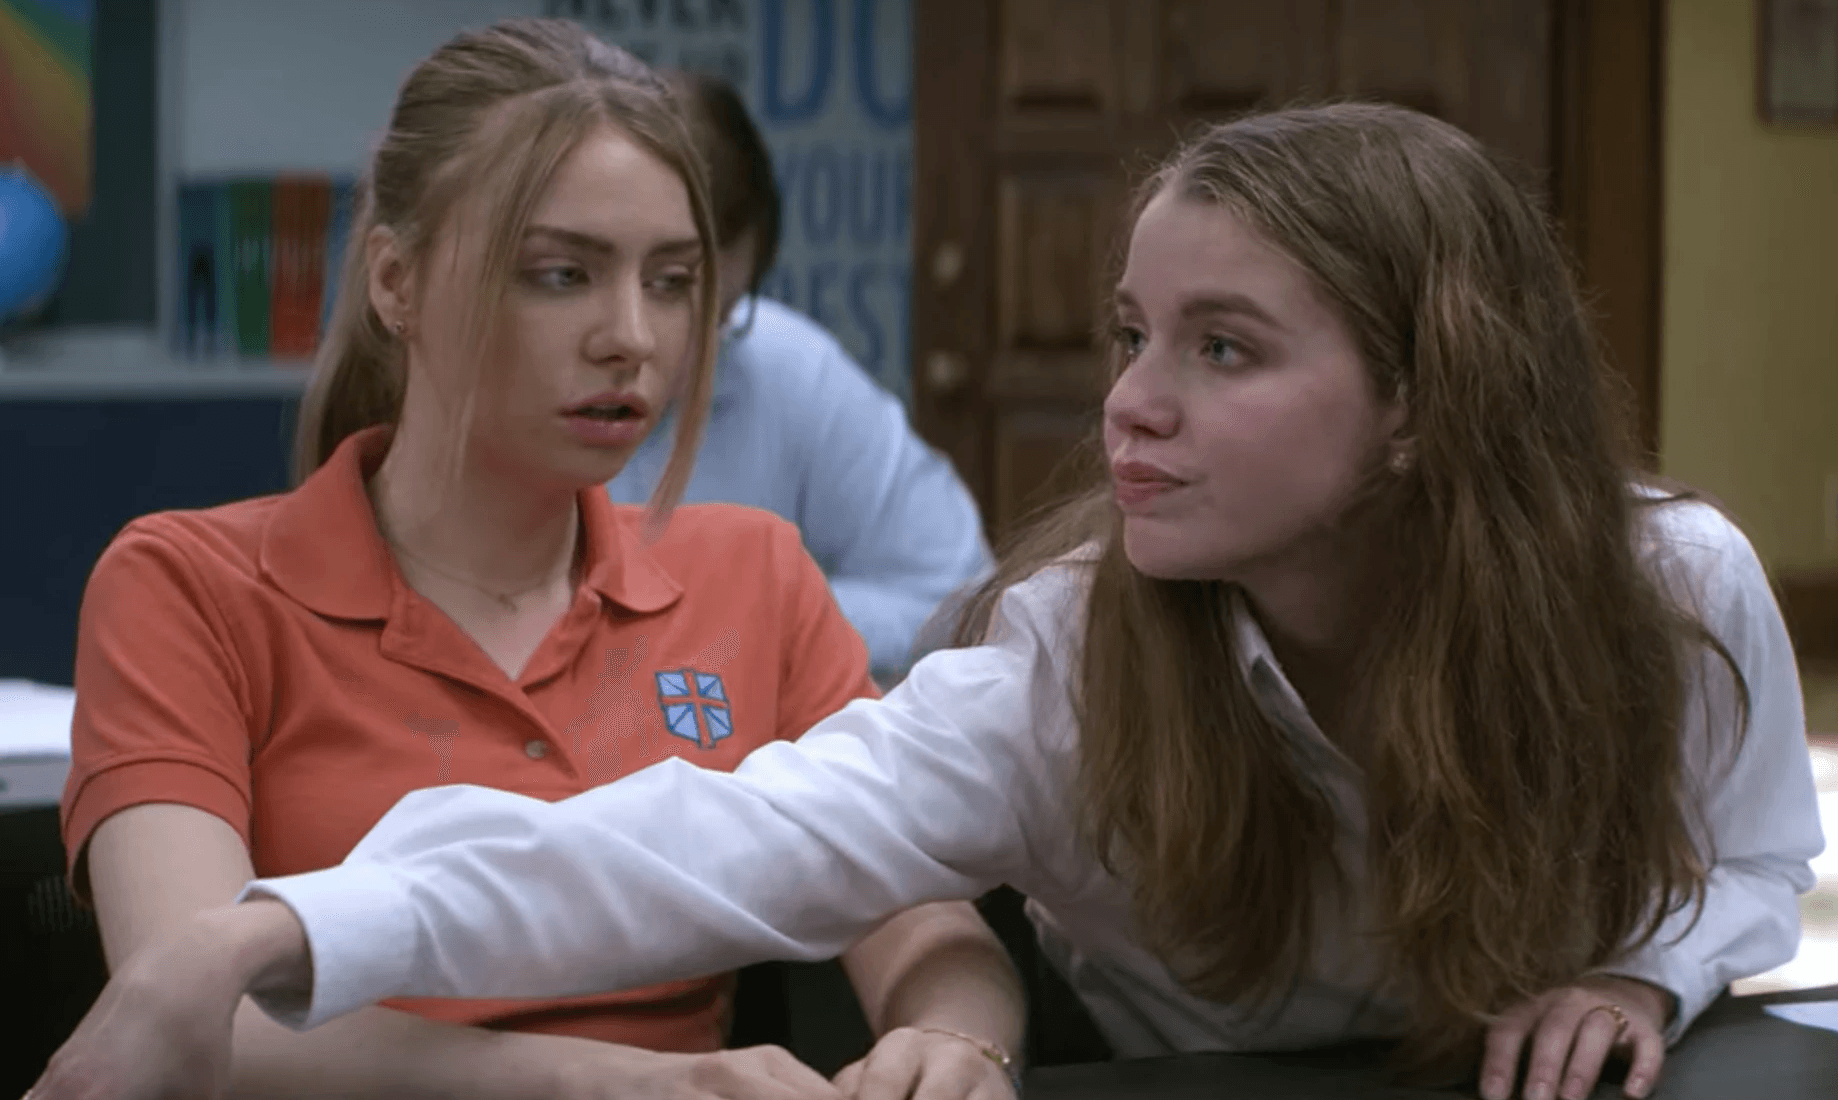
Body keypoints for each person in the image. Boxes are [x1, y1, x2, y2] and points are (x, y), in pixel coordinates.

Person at [31, 104, 1824, 1100]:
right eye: (1131, 337)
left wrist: (1636, 973)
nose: (1127, 400)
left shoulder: (1664, 591)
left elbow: (1752, 861)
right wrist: (264, 941)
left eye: (1221, 349)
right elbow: (692, 847)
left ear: (1426, 401)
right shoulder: (1067, 663)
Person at [42, 19, 1022, 1100]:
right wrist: (617, 1079)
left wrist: (957, 1037)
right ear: (394, 284)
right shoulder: (186, 584)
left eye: (672, 280)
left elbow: (928, 926)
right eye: (561, 274)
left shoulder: (755, 575)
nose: (630, 336)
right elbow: (192, 1013)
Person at [603, 72, 991, 681]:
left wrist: (763, 620)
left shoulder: (778, 362)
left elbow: (961, 593)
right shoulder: (479, 381)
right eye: (667, 295)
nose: (696, 352)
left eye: (723, 315)